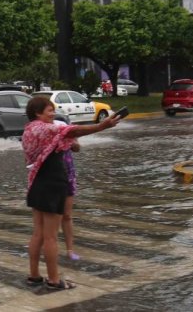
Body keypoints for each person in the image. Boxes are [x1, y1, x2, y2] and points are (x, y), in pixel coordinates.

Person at [22, 96, 120, 290]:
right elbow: (72, 130)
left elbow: (67, 141)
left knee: (38, 233)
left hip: (37, 181)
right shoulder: (44, 128)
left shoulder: (28, 130)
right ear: (37, 113)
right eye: (49, 110)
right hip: (52, 182)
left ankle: (34, 275)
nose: (53, 114)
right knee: (50, 236)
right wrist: (102, 126)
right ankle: (54, 280)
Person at [62, 141, 80, 261]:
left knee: (67, 215)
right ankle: (42, 245)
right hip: (48, 176)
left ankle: (70, 250)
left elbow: (77, 148)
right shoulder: (41, 128)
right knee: (47, 217)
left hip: (68, 173)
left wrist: (73, 143)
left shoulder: (64, 127)